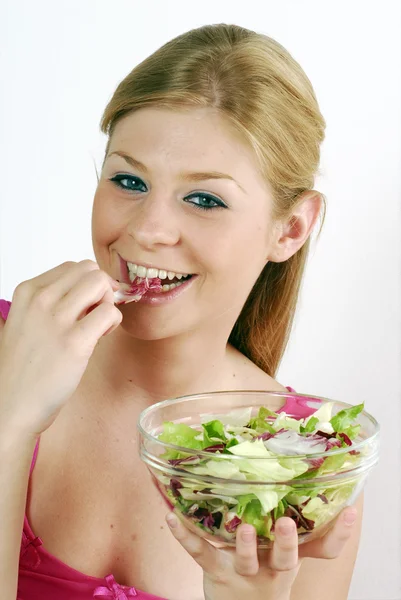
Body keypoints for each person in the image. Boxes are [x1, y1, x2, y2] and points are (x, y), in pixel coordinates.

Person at [0, 23, 362, 600]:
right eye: (128, 180)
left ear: (291, 228)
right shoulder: (7, 348)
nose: (147, 230)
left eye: (204, 199)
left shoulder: (306, 465)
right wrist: (9, 422)